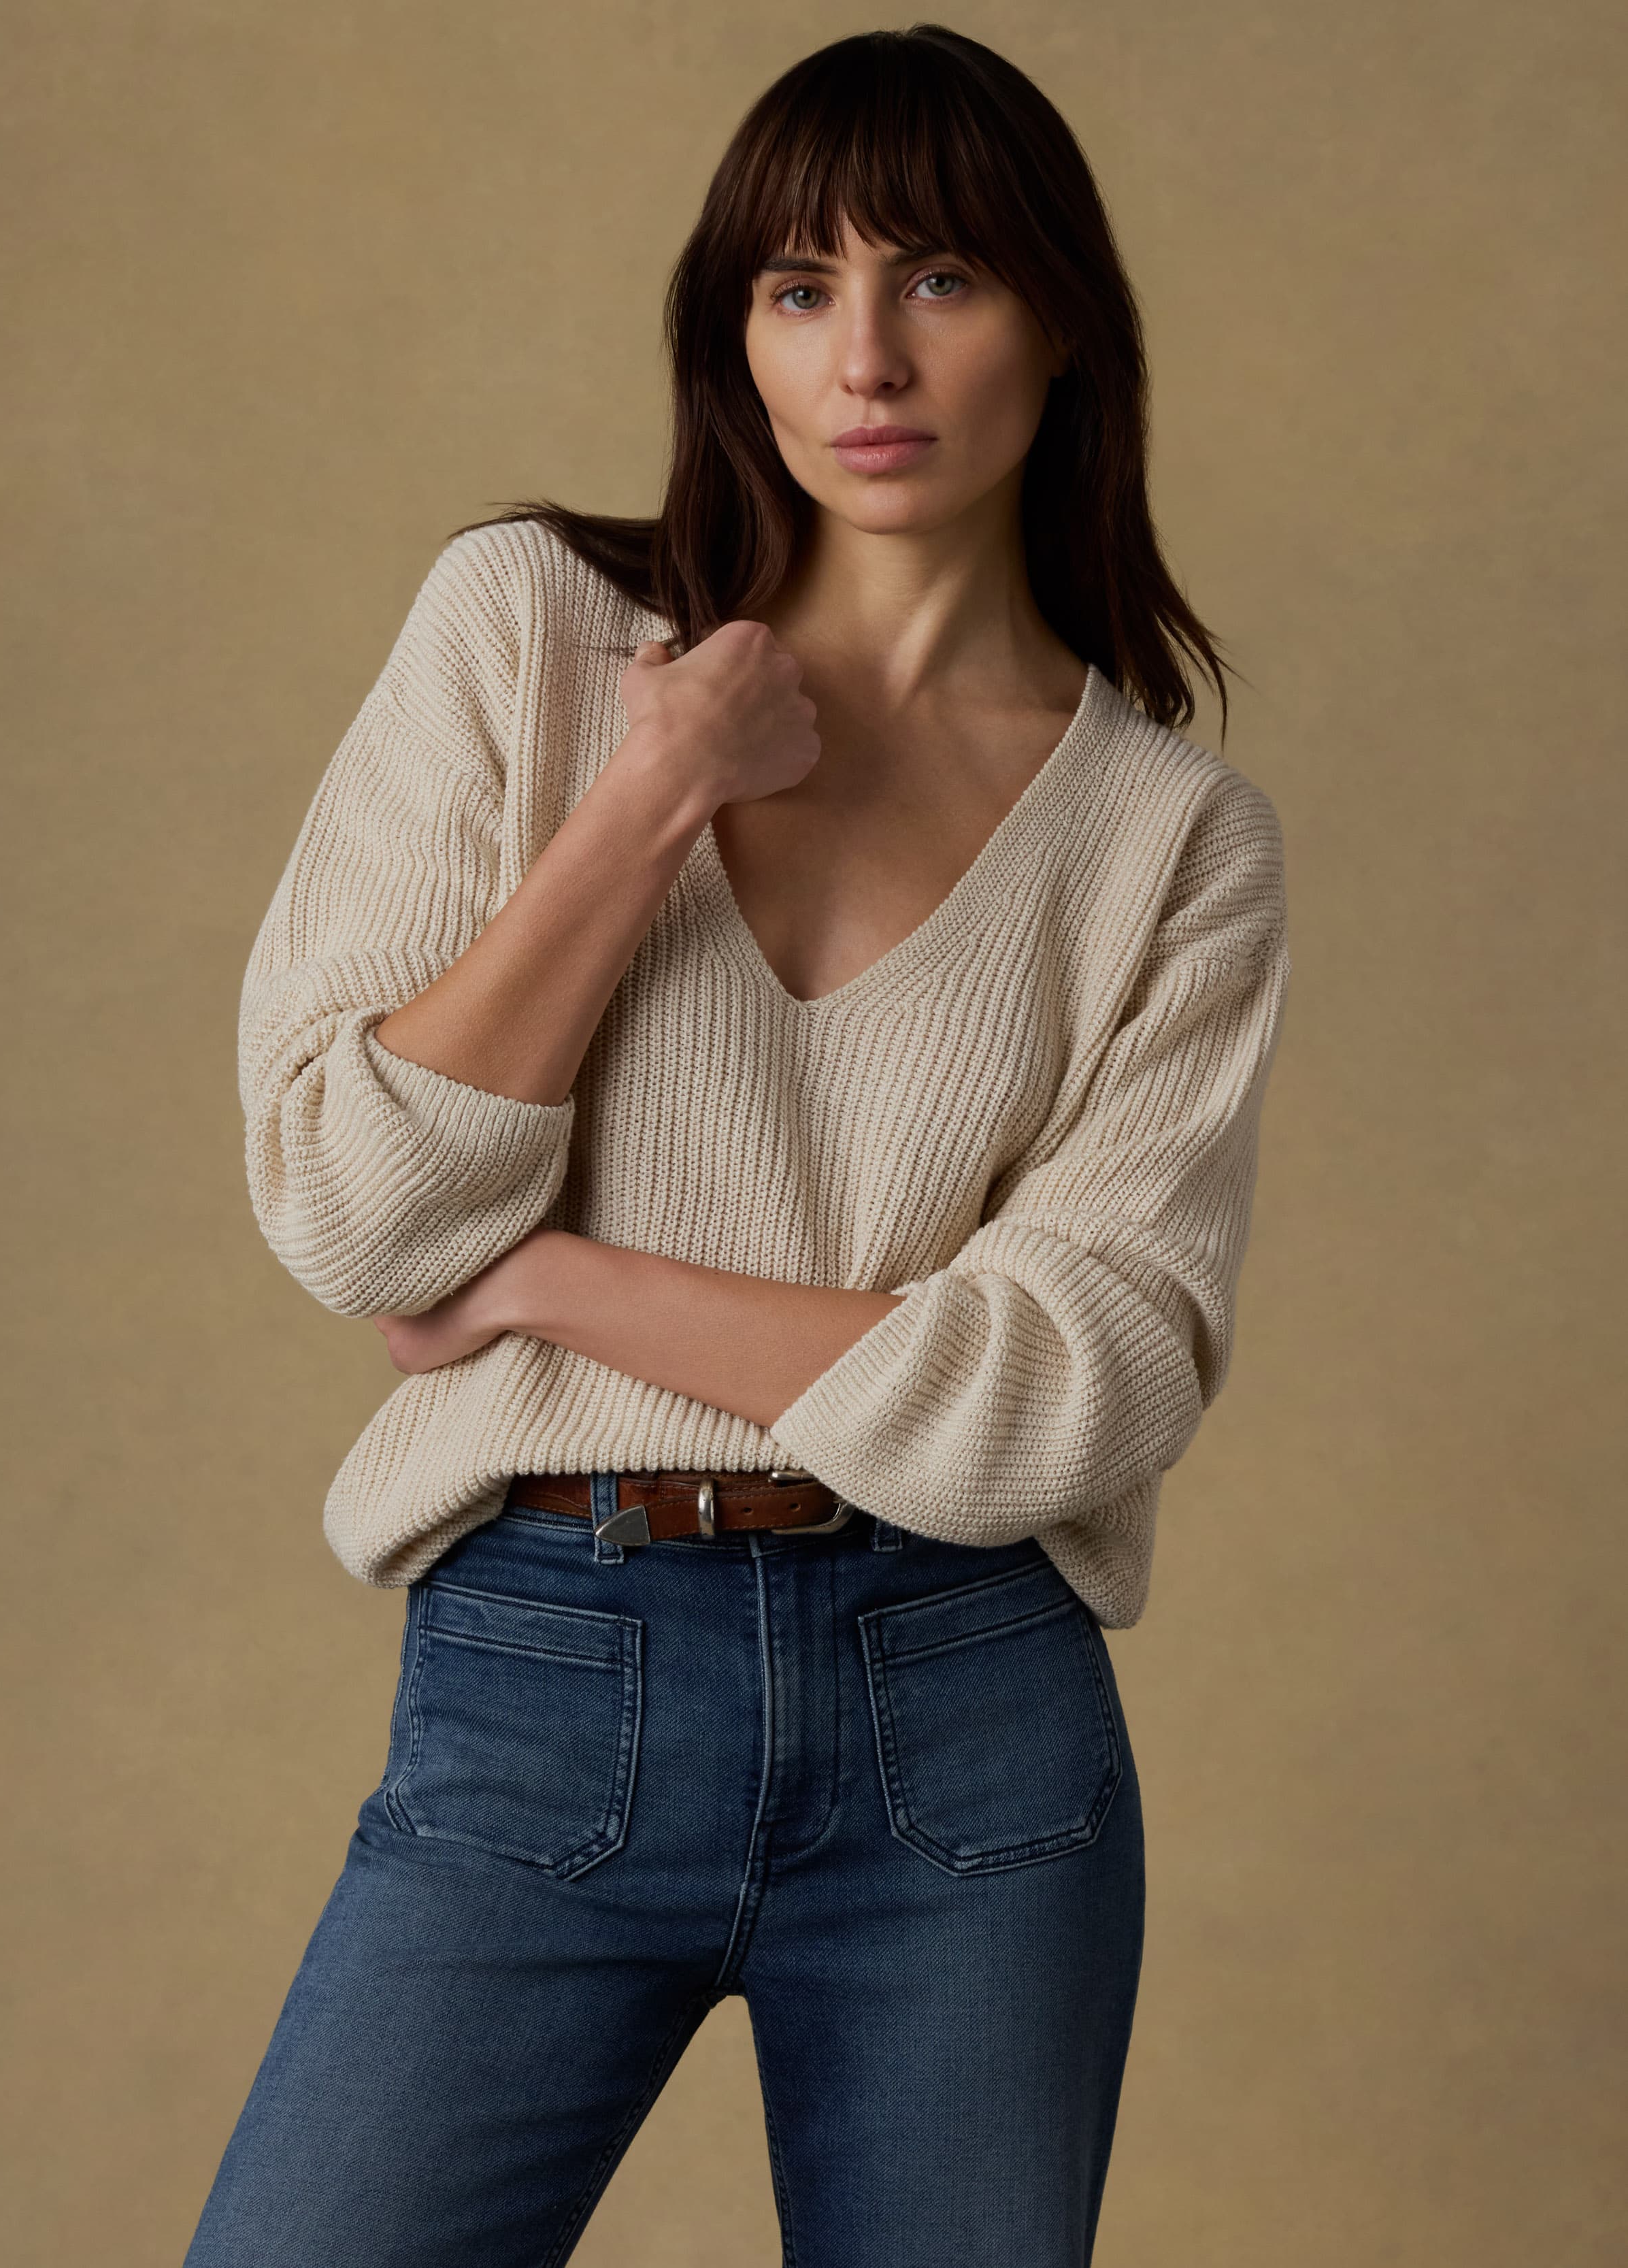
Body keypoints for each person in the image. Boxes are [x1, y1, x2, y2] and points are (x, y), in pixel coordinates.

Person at [186, 24, 1291, 2268]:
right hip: (542, 1665)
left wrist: (549, 1284)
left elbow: (1070, 1391)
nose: (864, 355)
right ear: (732, 332)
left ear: (1062, 319)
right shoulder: (530, 628)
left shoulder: (1170, 839)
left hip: (964, 1716)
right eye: (797, 286)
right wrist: (647, 795)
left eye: (940, 280)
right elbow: (347, 1208)